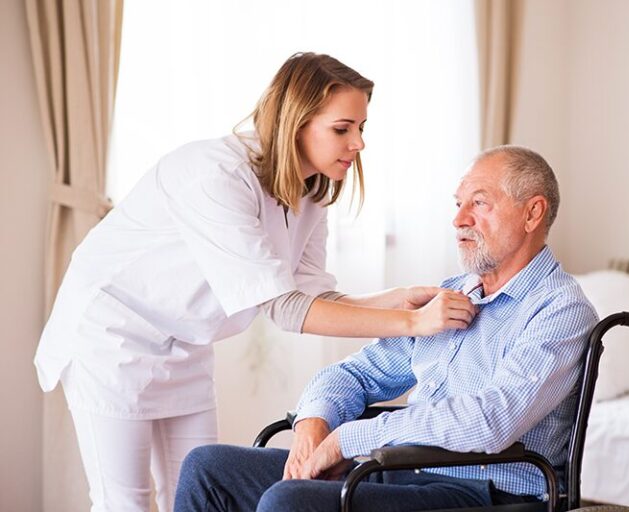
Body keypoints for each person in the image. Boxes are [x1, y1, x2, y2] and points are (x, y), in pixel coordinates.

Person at [33, 52, 477, 512]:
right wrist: (414, 324)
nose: (359, 143)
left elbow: (315, 296)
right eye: (343, 129)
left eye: (362, 128)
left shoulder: (311, 193)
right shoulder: (215, 174)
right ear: (296, 122)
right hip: (112, 335)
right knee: (125, 501)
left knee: (198, 490)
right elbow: (285, 308)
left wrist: (399, 301)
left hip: (184, 343)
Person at [174, 145, 600, 512]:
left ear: (533, 213)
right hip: (397, 470)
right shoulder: (452, 295)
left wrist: (348, 440)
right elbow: (355, 374)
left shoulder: (559, 310)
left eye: (479, 203)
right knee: (208, 469)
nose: (459, 220)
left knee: (290, 503)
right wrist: (314, 424)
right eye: (458, 204)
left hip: (483, 492)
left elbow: (490, 421)